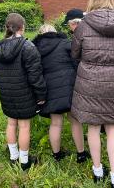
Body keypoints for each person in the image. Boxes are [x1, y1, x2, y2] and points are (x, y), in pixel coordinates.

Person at [71, 0, 114, 187]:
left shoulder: (83, 25)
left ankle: (97, 171)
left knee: (93, 126)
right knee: (112, 127)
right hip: (112, 80)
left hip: (88, 80)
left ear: (92, 3)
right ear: (111, 2)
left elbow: (75, 52)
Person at [0, 13, 47, 171]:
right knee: (24, 126)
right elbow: (35, 75)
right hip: (25, 93)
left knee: (11, 123)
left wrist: (2, 87)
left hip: (6, 92)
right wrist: (41, 95)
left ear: (6, 27)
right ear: (23, 27)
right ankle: (24, 162)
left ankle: (13, 157)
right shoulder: (28, 47)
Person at [32, 24, 90, 163]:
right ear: (55, 32)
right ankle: (81, 154)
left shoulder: (35, 49)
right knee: (75, 121)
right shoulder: (65, 43)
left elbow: (36, 71)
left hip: (49, 89)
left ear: (40, 34)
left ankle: (57, 155)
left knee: (56, 122)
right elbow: (77, 62)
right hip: (69, 86)